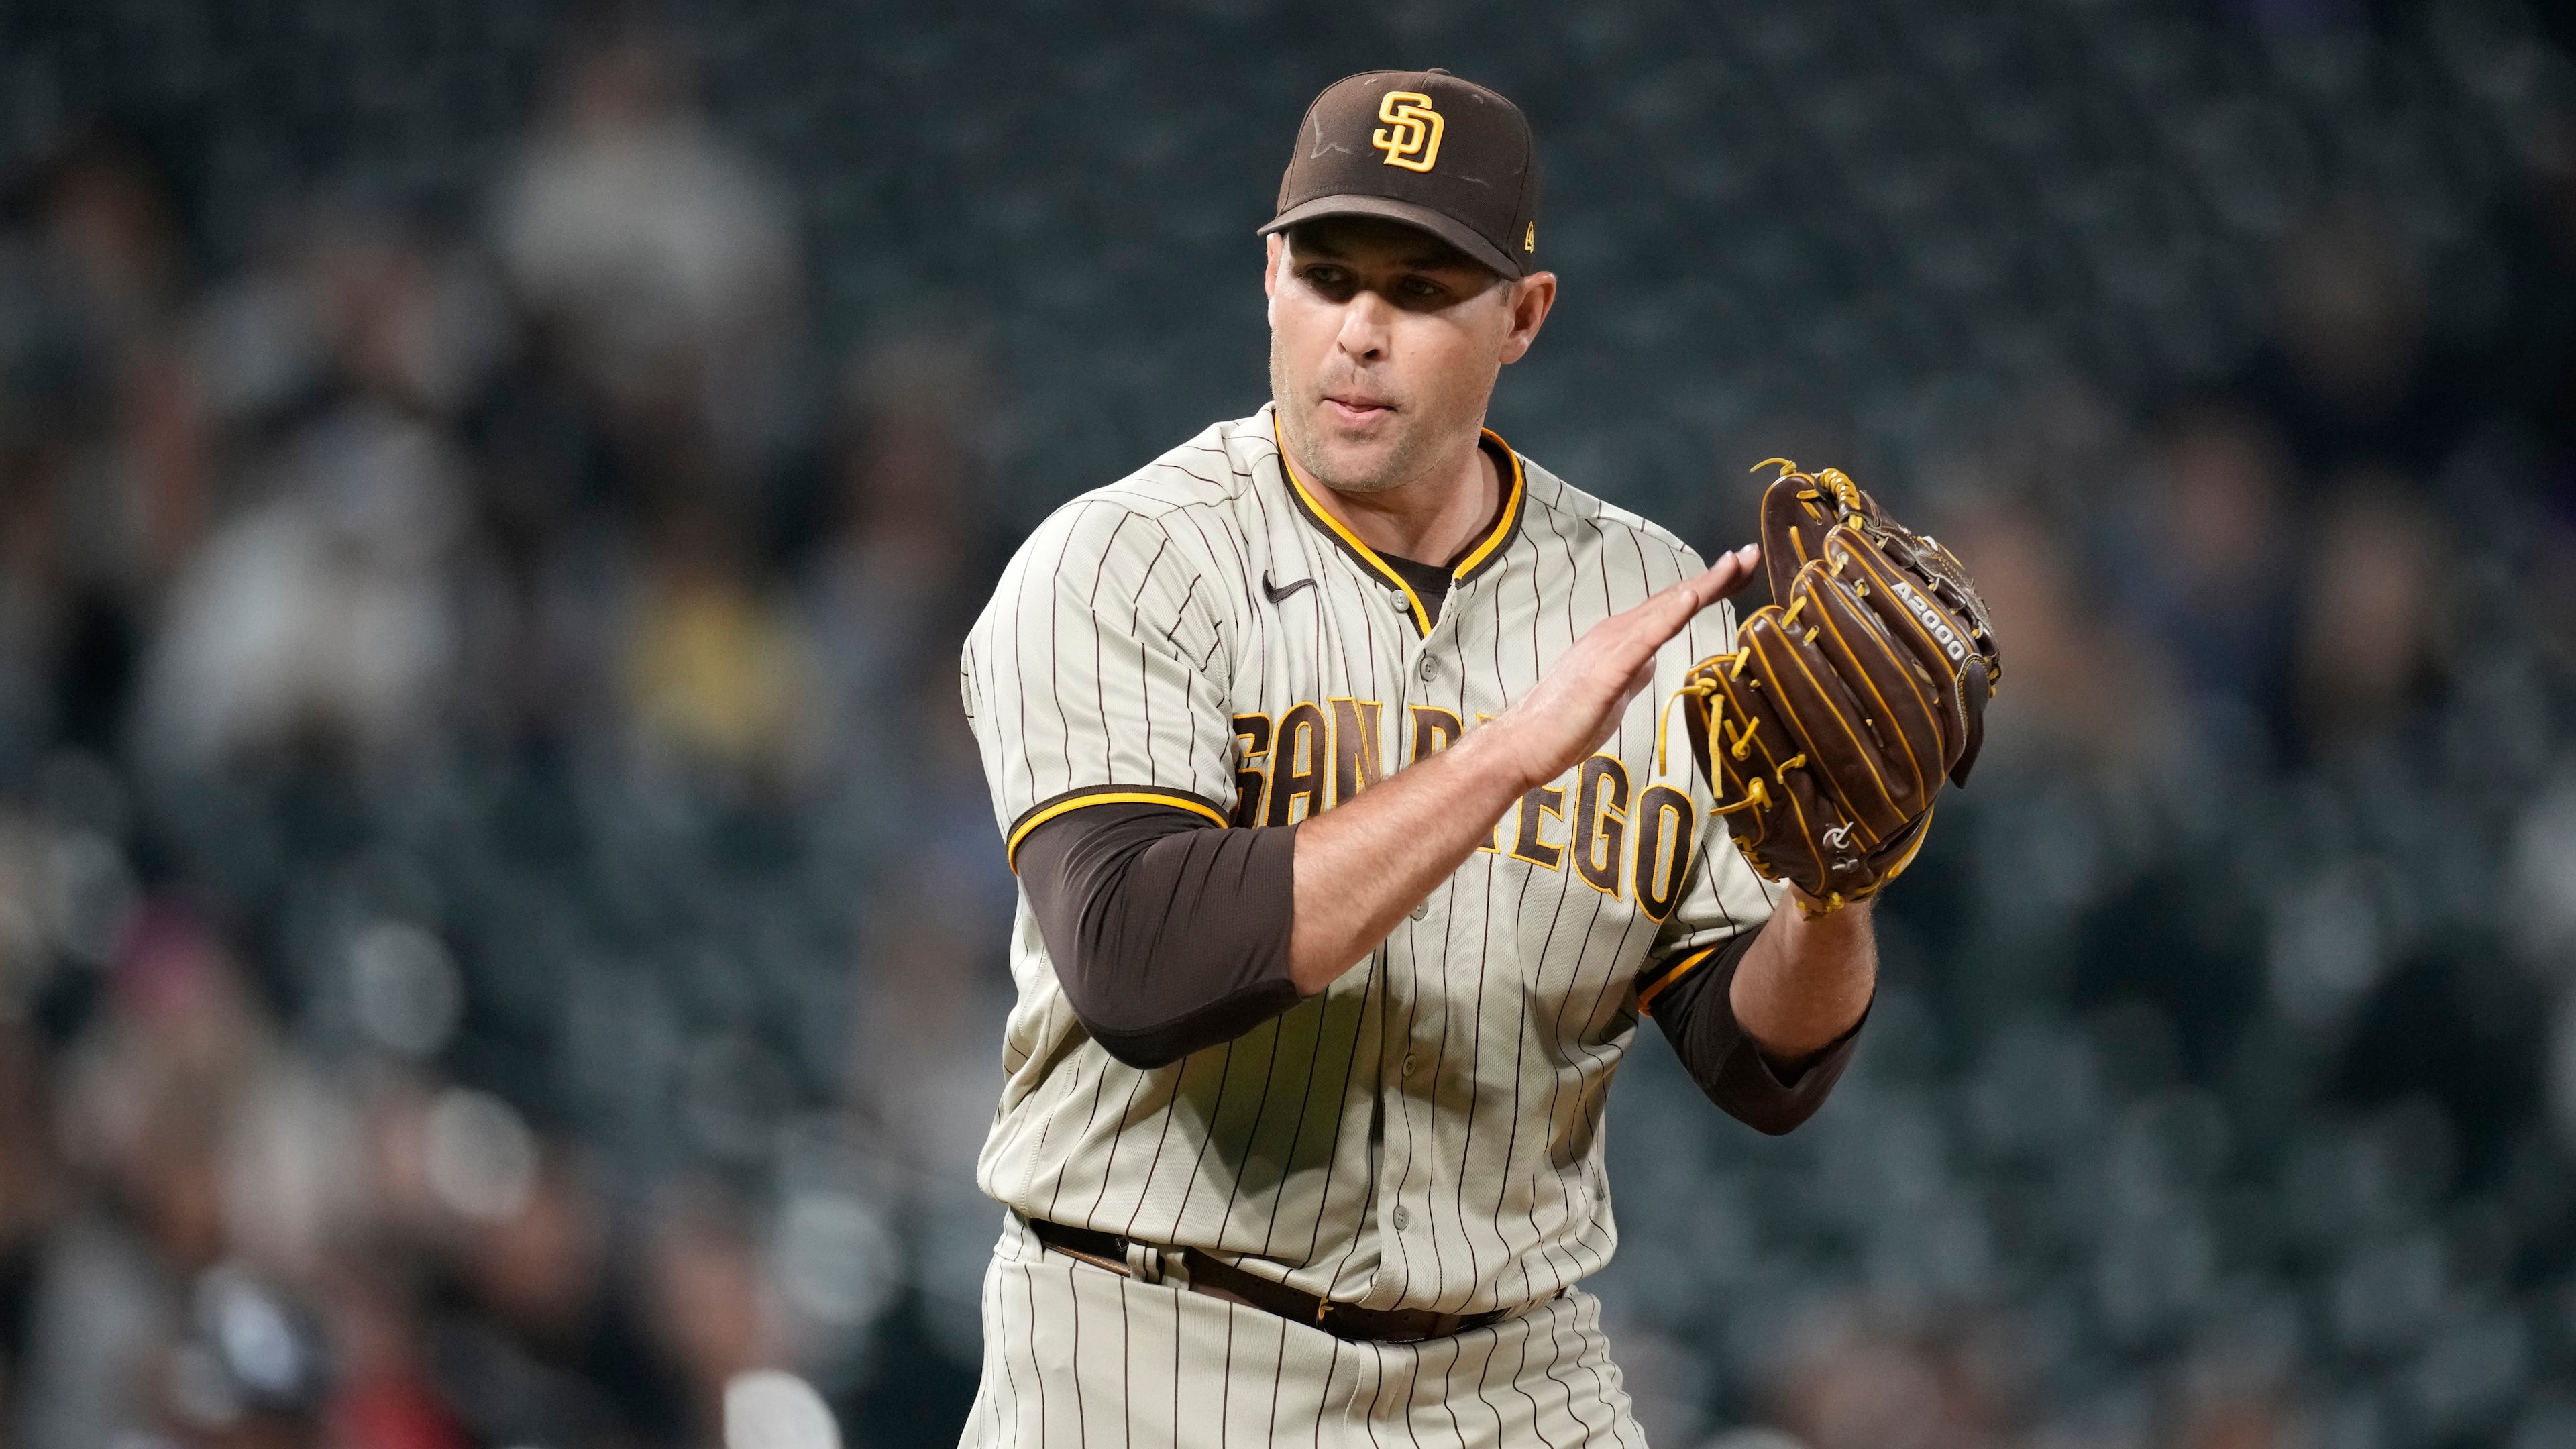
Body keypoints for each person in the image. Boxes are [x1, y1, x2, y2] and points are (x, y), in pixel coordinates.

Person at [957, 70, 1881, 1446]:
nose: (1363, 332)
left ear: (1524, 315)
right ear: (1270, 279)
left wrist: (1836, 881)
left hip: (1513, 1379)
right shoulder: (1127, 561)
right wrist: (1509, 753)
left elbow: (1760, 1065)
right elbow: (1136, 964)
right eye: (1329, 277)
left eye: (1423, 288)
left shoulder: (1647, 594)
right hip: (1144, 1349)